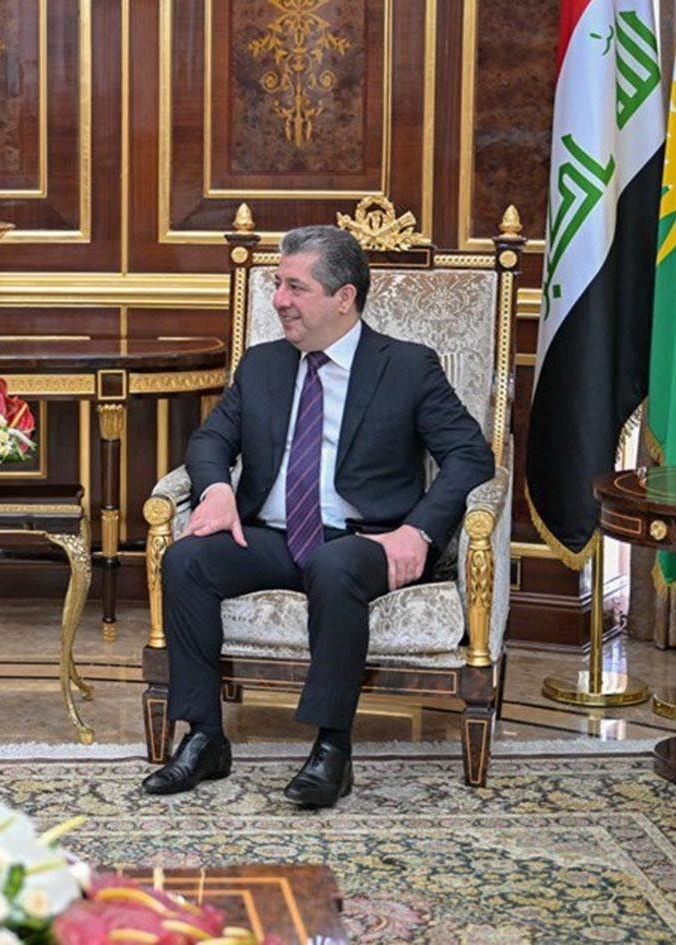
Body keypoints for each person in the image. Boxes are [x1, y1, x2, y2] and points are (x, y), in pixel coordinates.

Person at [143, 225, 493, 807]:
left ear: (343, 297)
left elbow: (471, 455)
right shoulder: (262, 365)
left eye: (295, 287)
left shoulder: (407, 367)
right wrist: (216, 490)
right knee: (187, 561)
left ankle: (332, 748)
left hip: (365, 540)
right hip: (272, 536)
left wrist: (418, 531)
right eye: (277, 285)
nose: (279, 299)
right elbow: (210, 441)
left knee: (333, 566)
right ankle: (204, 737)